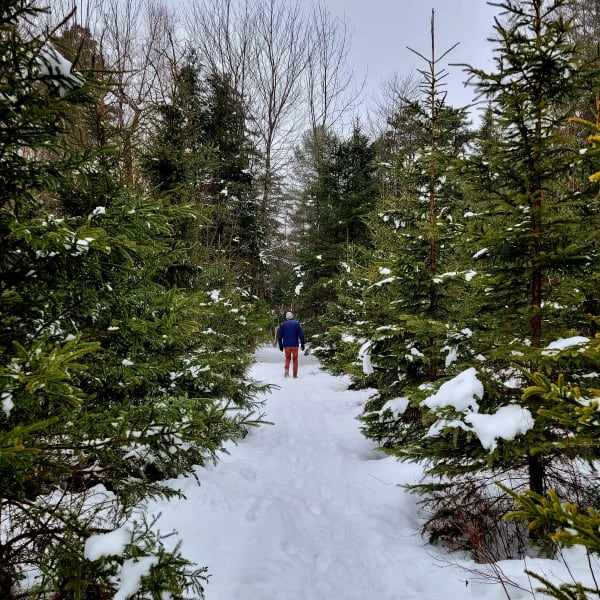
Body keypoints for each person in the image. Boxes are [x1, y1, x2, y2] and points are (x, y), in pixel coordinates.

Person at [277, 311, 305, 378]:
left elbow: (279, 336)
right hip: (295, 345)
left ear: (286, 317)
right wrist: (302, 344)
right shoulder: (296, 324)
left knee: (287, 358)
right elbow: (301, 335)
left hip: (286, 345)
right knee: (295, 359)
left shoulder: (283, 325)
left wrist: (280, 345)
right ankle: (295, 375)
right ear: (292, 316)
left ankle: (286, 370)